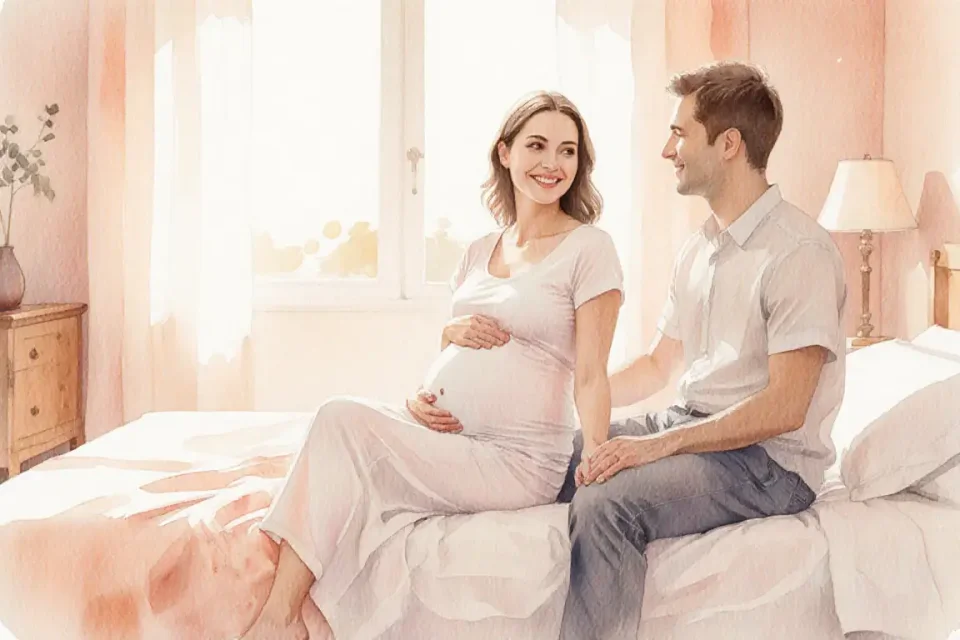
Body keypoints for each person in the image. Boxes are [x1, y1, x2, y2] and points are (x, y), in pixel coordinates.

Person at [241, 91, 625, 640]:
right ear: (505, 153)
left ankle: (278, 621)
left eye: (567, 151)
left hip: (517, 459)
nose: (553, 164)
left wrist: (598, 466)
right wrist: (429, 383)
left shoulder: (591, 249)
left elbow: (590, 373)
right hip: (452, 440)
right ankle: (288, 619)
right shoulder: (478, 250)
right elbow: (468, 339)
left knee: (340, 423)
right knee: (338, 423)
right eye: (536, 145)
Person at [556, 61, 848, 639]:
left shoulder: (800, 254)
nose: (668, 150)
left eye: (680, 133)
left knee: (606, 502)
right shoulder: (699, 248)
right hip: (694, 427)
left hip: (770, 465)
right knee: (550, 456)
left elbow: (784, 408)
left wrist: (655, 448)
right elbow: (658, 365)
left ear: (730, 144)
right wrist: (567, 401)